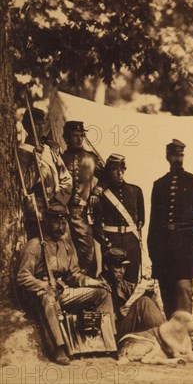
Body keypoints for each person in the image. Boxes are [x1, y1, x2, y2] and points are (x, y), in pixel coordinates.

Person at [16, 203, 114, 365]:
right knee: (48, 299)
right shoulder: (35, 245)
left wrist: (93, 282)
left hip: (62, 291)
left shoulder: (66, 247)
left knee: (102, 293)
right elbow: (22, 277)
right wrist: (43, 285)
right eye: (56, 222)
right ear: (46, 222)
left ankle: (108, 341)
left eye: (63, 223)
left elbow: (74, 275)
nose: (60, 227)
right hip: (39, 296)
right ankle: (58, 348)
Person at [147, 139, 193, 318]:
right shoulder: (159, 185)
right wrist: (154, 253)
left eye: (180, 155)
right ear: (167, 157)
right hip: (164, 249)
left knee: (184, 290)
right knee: (167, 294)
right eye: (174, 155)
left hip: (186, 248)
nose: (177, 159)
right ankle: (173, 339)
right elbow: (154, 222)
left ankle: (185, 337)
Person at [17, 108, 72, 239]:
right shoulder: (22, 152)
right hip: (37, 214)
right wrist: (37, 158)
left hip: (56, 211)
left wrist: (58, 201)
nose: (41, 127)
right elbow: (26, 184)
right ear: (27, 126)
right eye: (37, 124)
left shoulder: (49, 149)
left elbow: (66, 178)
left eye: (42, 123)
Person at [61, 120, 104, 276]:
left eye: (81, 135)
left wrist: (96, 191)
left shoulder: (91, 158)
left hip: (82, 214)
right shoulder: (59, 158)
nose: (79, 139)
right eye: (75, 136)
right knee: (64, 254)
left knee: (88, 255)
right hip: (62, 215)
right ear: (66, 138)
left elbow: (105, 177)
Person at [93, 154, 145, 283]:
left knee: (131, 280)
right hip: (111, 242)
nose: (120, 173)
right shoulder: (102, 195)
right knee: (111, 282)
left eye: (122, 170)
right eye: (115, 170)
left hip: (131, 243)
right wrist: (106, 244)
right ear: (109, 171)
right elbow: (96, 225)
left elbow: (140, 221)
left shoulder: (136, 191)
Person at [102, 248, 165, 339]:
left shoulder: (121, 284)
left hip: (123, 328)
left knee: (146, 299)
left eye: (124, 267)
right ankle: (167, 336)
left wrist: (148, 290)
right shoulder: (98, 287)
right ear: (106, 267)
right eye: (118, 267)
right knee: (144, 302)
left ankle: (166, 335)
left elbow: (136, 290)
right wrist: (116, 315)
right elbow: (94, 321)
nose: (122, 271)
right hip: (111, 334)